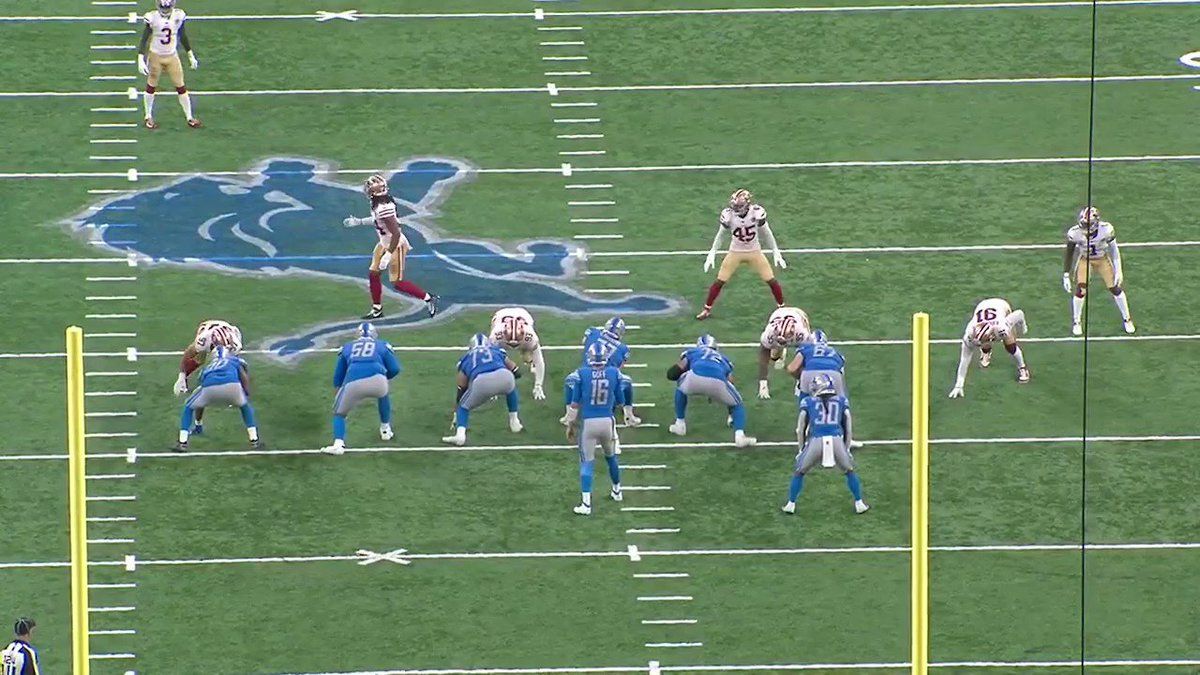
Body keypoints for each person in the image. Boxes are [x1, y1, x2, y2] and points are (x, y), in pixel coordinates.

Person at [343, 173, 439, 320]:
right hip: (384, 242)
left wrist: (388, 255)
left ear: (375, 192)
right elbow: (378, 221)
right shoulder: (379, 203)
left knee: (397, 282)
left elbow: (396, 234)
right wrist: (360, 222)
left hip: (395, 245)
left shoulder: (384, 208)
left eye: (370, 188)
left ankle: (429, 298)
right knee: (373, 273)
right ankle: (377, 309)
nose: (367, 190)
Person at [783, 375, 869, 516]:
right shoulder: (841, 400)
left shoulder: (808, 401)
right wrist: (846, 448)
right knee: (849, 471)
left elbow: (800, 428)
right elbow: (848, 426)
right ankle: (859, 503)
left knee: (799, 472)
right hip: (836, 440)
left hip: (816, 440)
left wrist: (801, 449)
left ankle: (790, 504)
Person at [696, 188, 786, 320]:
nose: (735, 208)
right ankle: (706, 309)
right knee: (719, 281)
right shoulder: (729, 215)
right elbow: (720, 235)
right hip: (735, 252)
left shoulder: (756, 213)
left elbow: (767, 233)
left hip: (754, 251)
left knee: (771, 280)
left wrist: (776, 252)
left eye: (738, 206)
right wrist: (712, 253)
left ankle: (782, 308)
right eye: (735, 206)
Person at [322, 322, 401, 456]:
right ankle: (385, 429)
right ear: (374, 334)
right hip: (378, 379)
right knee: (384, 393)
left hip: (354, 382)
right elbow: (395, 368)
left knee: (339, 414)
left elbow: (338, 376)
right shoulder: (382, 345)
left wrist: (338, 390)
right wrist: (384, 378)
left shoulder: (347, 347)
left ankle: (338, 444)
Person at [564, 342, 624, 515]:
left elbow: (575, 404)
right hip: (608, 421)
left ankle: (586, 504)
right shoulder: (614, 372)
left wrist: (570, 424)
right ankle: (617, 491)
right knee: (611, 457)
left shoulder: (582, 374)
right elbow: (620, 398)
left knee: (587, 462)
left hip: (590, 423)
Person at [666, 334, 756, 448]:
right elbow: (730, 381)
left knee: (680, 386)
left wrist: (674, 375)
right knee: (737, 404)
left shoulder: (693, 352)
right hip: (718, 381)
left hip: (694, 378)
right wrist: (730, 411)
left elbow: (677, 370)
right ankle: (739, 436)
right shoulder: (724, 358)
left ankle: (680, 424)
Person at [1062, 206, 1134, 335]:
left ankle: (1127, 319)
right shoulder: (1075, 233)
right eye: (1083, 224)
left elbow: (1114, 250)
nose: (1084, 227)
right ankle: (1076, 322)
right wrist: (1066, 274)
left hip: (1102, 259)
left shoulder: (1106, 230)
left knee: (1115, 288)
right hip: (1085, 259)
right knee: (1081, 289)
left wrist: (1119, 270)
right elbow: (1069, 252)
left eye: (1087, 224)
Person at [175, 344, 259, 451]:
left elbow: (201, 382)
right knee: (245, 406)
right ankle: (254, 440)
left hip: (210, 387)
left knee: (189, 406)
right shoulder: (234, 360)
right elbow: (244, 375)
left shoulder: (209, 366)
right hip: (233, 386)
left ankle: (183, 442)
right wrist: (246, 394)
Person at [442, 334, 523, 446]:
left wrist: (458, 409)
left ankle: (460, 436)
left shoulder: (466, 358)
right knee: (511, 388)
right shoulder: (496, 350)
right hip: (504, 376)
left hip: (482, 382)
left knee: (463, 406)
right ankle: (514, 422)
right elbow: (515, 370)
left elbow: (461, 387)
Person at [562, 317, 639, 427]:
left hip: (585, 377)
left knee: (570, 380)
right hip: (607, 383)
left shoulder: (593, 332)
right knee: (627, 382)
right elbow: (619, 367)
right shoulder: (623, 349)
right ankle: (628, 416)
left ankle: (569, 416)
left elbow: (584, 342)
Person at [948, 297, 1030, 399]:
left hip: (1001, 305)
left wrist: (1023, 327)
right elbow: (965, 359)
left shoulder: (1001, 327)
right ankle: (986, 352)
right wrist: (959, 385)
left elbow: (1019, 313)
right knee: (983, 344)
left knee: (1010, 346)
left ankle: (1022, 367)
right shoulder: (969, 334)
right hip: (983, 306)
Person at [137, 0, 201, 129]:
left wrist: (190, 55)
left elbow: (183, 36)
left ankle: (189, 117)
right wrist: (140, 58)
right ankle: (148, 116)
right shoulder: (152, 18)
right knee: (151, 85)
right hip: (156, 56)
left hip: (172, 56)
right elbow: (144, 38)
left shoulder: (178, 16)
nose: (165, 10)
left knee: (181, 87)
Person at [490, 307, 546, 400]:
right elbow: (490, 360)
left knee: (528, 356)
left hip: (523, 314)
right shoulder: (496, 335)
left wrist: (538, 385)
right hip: (500, 315)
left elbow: (539, 360)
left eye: (516, 343)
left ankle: (529, 361)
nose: (513, 346)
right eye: (510, 343)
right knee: (497, 356)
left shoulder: (530, 336)